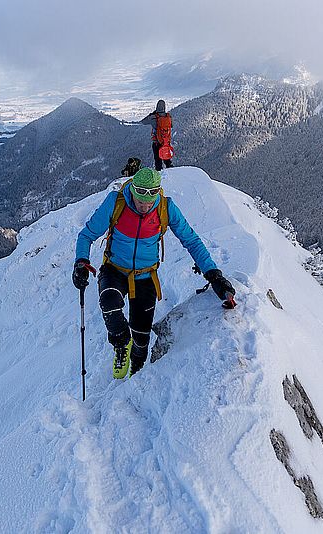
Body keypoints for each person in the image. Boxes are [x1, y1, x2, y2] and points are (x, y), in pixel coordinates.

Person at [72, 167, 235, 379]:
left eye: (150, 202)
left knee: (142, 337)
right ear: (132, 193)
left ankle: (136, 373)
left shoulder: (166, 208)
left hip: (145, 275)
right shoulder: (116, 202)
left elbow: (191, 241)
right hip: (114, 269)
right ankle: (121, 345)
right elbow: (86, 235)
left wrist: (214, 274)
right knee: (109, 302)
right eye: (140, 202)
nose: (145, 207)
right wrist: (81, 261)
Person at [140, 100, 173, 171]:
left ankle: (159, 173)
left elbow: (143, 122)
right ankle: (170, 171)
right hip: (166, 142)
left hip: (157, 142)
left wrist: (151, 114)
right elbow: (171, 126)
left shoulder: (154, 117)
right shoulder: (168, 117)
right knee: (167, 158)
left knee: (158, 160)